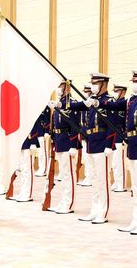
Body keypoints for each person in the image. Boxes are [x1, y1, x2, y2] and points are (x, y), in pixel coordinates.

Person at [94, 71, 137, 234]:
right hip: (133, 147)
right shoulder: (132, 101)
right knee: (136, 188)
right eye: (133, 81)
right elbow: (115, 105)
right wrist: (97, 103)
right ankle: (135, 220)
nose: (134, 83)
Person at [67, 73, 117, 224]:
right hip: (91, 144)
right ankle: (94, 210)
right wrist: (61, 103)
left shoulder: (109, 102)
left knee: (102, 181)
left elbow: (112, 125)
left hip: (102, 145)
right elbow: (72, 106)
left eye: (96, 83)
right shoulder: (91, 101)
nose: (93, 86)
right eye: (92, 83)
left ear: (104, 84)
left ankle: (103, 211)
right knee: (94, 180)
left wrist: (109, 145)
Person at [47, 80, 82, 214]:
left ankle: (69, 203)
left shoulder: (72, 103)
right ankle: (63, 201)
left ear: (67, 87)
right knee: (63, 174)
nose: (58, 89)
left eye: (60, 86)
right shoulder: (59, 102)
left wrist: (73, 145)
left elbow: (75, 126)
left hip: (68, 142)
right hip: (60, 141)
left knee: (69, 175)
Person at [110, 84, 128, 192]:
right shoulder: (114, 104)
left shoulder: (126, 104)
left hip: (120, 136)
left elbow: (126, 122)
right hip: (113, 136)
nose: (115, 93)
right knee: (114, 163)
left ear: (123, 92)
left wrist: (125, 136)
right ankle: (117, 182)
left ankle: (121, 184)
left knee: (120, 162)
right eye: (114, 91)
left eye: (117, 91)